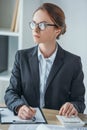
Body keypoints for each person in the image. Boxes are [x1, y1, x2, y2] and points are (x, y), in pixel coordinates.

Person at [4, 3, 85, 120]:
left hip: (57, 122)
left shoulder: (73, 62)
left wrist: (73, 106)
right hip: (28, 122)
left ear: (57, 30)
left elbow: (79, 102)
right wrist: (19, 107)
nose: (35, 29)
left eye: (42, 25)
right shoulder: (21, 57)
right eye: (34, 24)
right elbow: (11, 92)